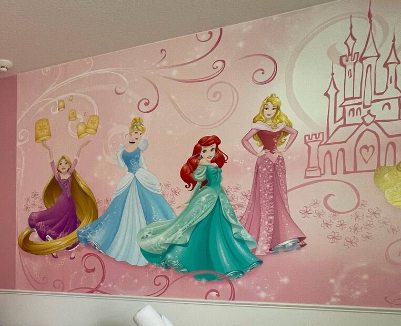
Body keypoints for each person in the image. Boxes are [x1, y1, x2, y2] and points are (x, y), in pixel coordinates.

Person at [138, 135, 262, 281]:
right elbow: (199, 183)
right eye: (205, 150)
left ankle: (227, 262)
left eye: (212, 149)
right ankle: (199, 261)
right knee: (201, 230)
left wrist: (228, 201)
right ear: (200, 152)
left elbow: (218, 185)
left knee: (222, 231)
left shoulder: (213, 164)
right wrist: (189, 201)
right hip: (207, 198)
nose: (209, 153)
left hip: (217, 198)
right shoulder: (203, 164)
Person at [78, 117, 176, 265]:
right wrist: (118, 155)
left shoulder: (139, 149)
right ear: (130, 133)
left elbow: (143, 165)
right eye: (136, 133)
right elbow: (120, 166)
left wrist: (146, 177)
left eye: (140, 134)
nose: (138, 136)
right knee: (118, 209)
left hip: (140, 177)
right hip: (129, 178)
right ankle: (108, 239)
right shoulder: (123, 149)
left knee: (151, 205)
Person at [240, 94, 306, 255]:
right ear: (262, 109)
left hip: (278, 160)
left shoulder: (279, 125)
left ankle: (281, 237)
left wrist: (285, 148)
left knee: (279, 196)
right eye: (267, 108)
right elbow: (244, 140)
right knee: (266, 198)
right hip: (265, 161)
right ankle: (266, 239)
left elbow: (294, 132)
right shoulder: (259, 125)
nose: (269, 111)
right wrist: (256, 152)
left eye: (273, 108)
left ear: (277, 110)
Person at [19, 133, 98, 258]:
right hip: (62, 202)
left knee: (71, 224)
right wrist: (47, 148)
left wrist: (82, 146)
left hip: (70, 203)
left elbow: (76, 160)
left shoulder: (70, 173)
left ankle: (71, 247)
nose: (63, 165)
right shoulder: (57, 176)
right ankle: (53, 246)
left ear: (68, 165)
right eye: (61, 164)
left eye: (65, 163)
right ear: (58, 167)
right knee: (57, 223)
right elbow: (51, 162)